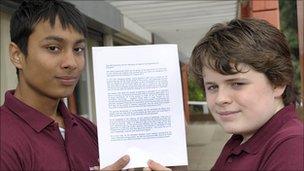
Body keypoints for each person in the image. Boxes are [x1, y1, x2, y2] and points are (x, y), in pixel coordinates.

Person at [150, 18, 304, 170]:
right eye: (212, 87)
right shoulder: (243, 138)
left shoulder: (293, 148)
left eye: (237, 84)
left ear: (278, 83)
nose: (220, 99)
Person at [0, 0, 131, 170]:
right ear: (17, 55)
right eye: (53, 48)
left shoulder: (88, 130)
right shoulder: (4, 137)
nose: (71, 63)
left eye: (78, 49)